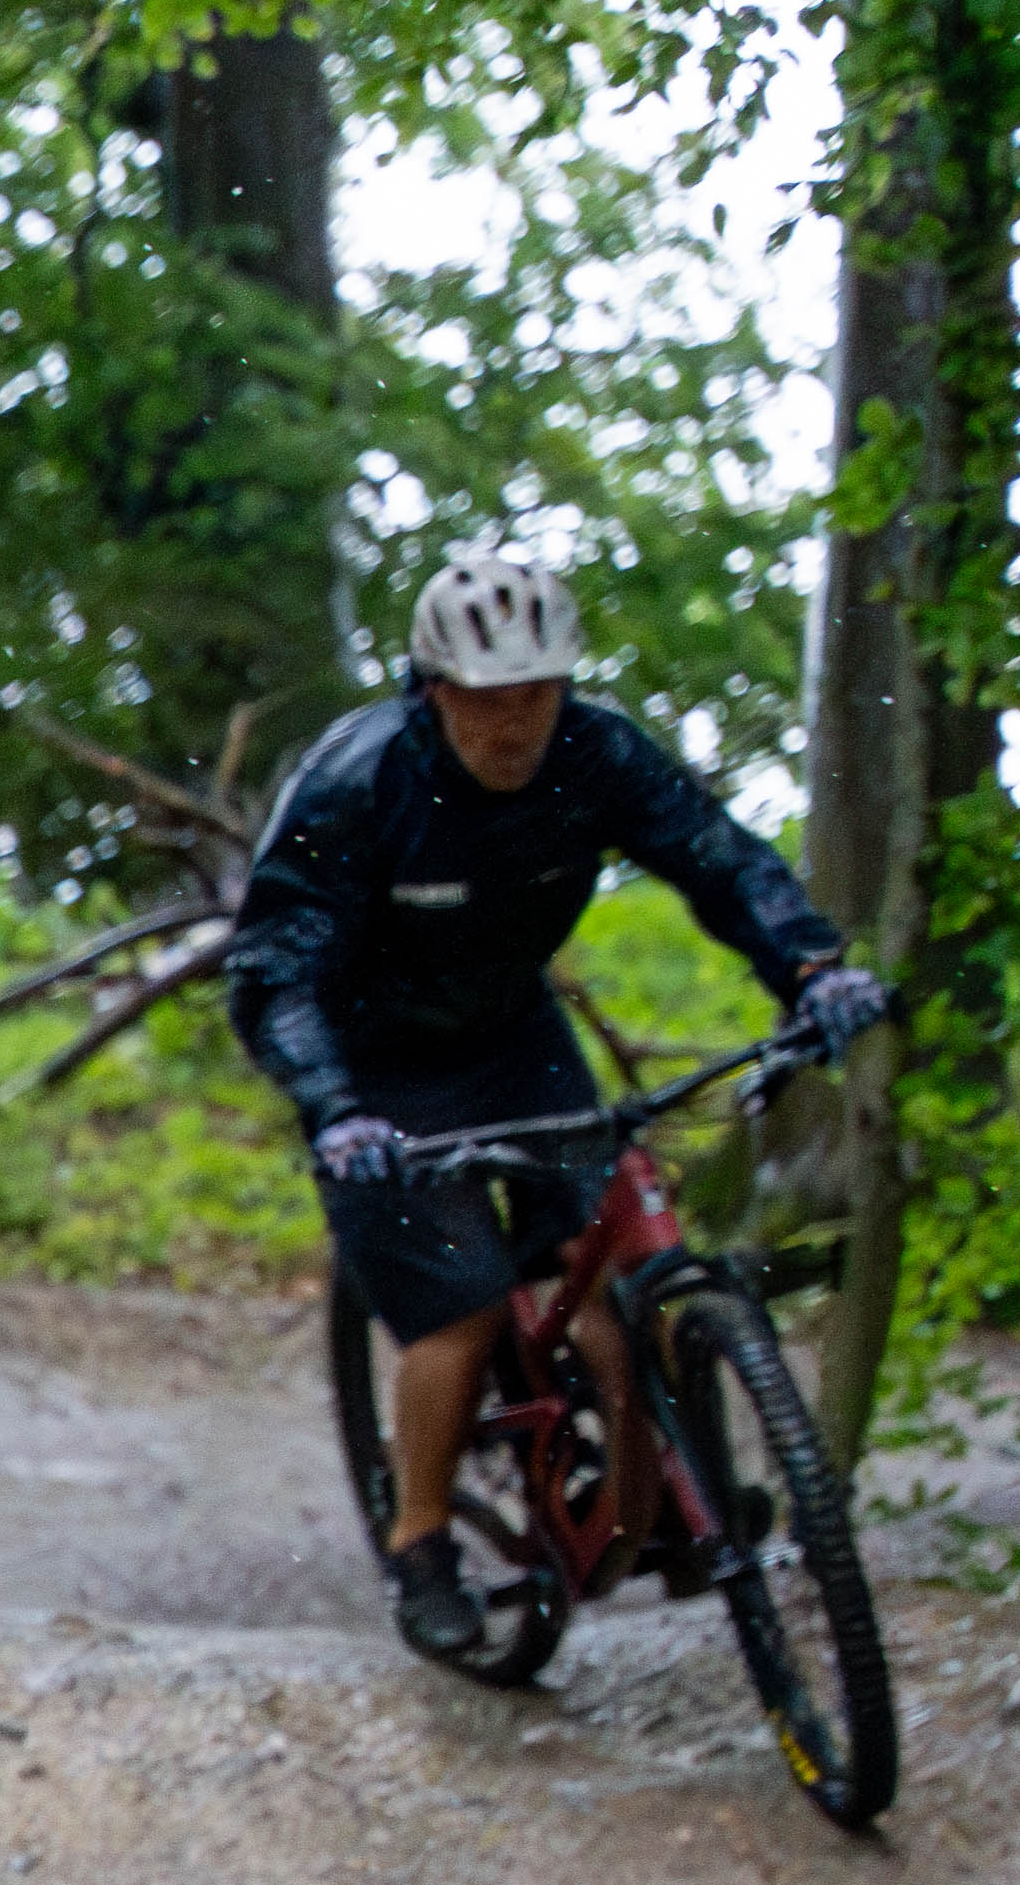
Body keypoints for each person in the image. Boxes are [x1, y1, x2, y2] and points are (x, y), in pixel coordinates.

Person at [226, 550, 894, 1665]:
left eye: (537, 693)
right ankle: (423, 1537)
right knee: (462, 1312)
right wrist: (333, 1106)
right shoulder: (360, 779)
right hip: (370, 1072)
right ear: (432, 690)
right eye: (488, 698)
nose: (514, 723)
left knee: (624, 1287)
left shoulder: (598, 753)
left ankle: (662, 1500)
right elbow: (273, 969)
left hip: (509, 1034)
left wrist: (813, 968)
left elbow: (717, 858)